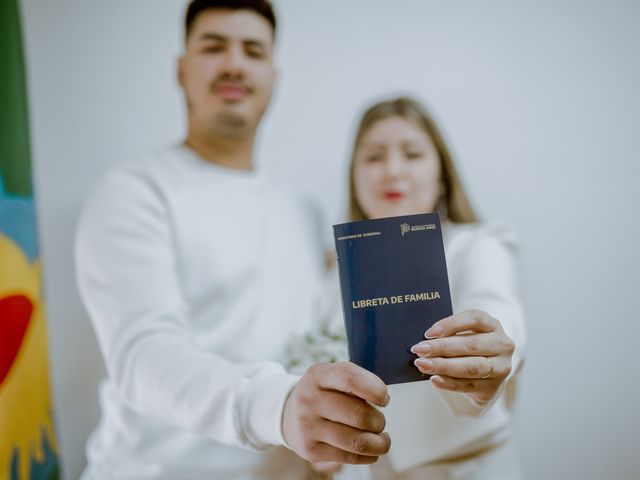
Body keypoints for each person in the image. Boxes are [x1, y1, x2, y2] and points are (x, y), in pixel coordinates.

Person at [75, 2, 391, 479]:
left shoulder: (303, 212)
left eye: (253, 50)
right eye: (213, 46)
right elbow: (143, 355)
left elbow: (307, 343)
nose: (234, 64)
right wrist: (278, 405)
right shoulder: (135, 191)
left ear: (273, 75)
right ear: (181, 69)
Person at [286, 97, 526, 479]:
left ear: (442, 175)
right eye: (374, 157)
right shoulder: (331, 282)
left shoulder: (478, 247)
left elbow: (498, 309)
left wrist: (489, 361)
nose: (392, 170)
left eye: (412, 154)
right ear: (354, 177)